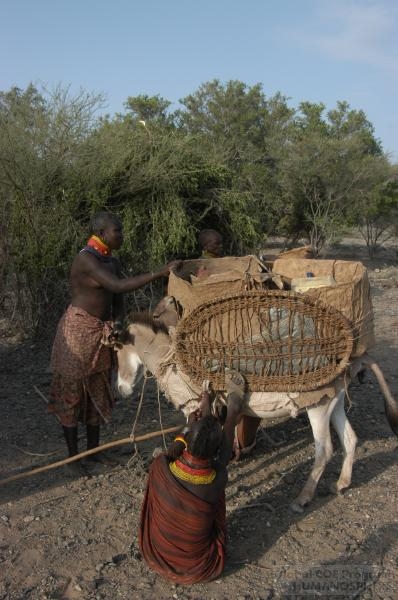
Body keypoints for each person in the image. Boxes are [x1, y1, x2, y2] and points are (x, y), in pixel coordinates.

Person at [48, 211, 181, 471]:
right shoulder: (86, 259)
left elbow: (118, 299)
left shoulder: (111, 261)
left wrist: (119, 323)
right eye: (117, 231)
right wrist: (160, 272)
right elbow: (118, 286)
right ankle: (73, 459)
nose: (121, 235)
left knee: (97, 393)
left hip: (102, 333)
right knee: (72, 395)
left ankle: (93, 453)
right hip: (77, 333)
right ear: (101, 233)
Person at [139, 371, 245, 584]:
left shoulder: (160, 466)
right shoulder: (217, 479)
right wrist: (231, 416)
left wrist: (188, 425)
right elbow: (222, 459)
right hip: (198, 566)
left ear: (186, 438)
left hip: (157, 554)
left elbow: (174, 450)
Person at [197, 228, 261, 455]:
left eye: (221, 242)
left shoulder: (222, 261)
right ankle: (219, 437)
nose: (219, 247)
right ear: (205, 246)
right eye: (215, 244)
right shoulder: (204, 266)